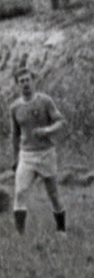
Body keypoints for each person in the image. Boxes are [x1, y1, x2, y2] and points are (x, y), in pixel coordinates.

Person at [10, 67, 67, 235]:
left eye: (28, 80)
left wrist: (47, 130)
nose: (25, 84)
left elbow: (61, 122)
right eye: (22, 81)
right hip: (26, 155)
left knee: (53, 194)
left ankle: (61, 230)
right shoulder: (15, 107)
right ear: (17, 85)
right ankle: (20, 235)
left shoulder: (45, 101)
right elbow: (15, 134)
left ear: (33, 81)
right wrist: (15, 158)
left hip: (45, 152)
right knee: (20, 192)